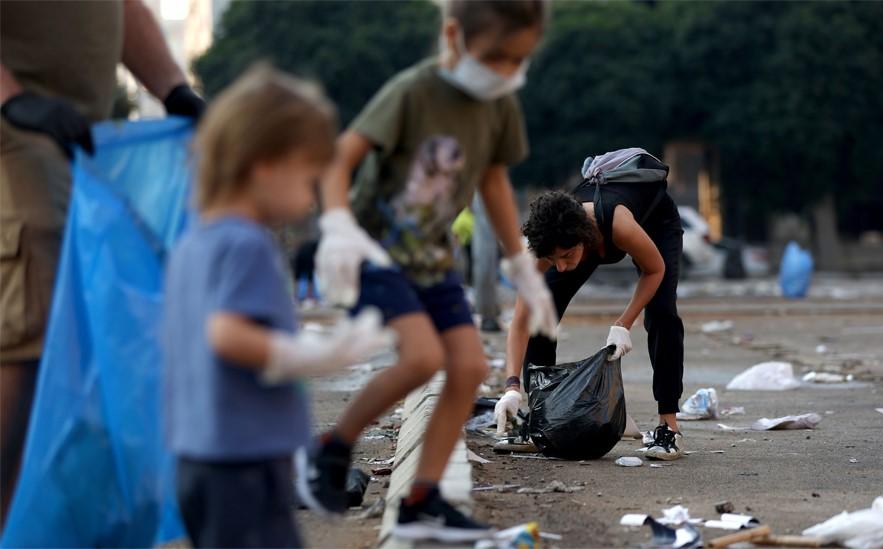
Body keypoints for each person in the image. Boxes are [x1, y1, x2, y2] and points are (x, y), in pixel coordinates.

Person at [308, 0, 558, 542]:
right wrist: (335, 224)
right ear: (454, 36)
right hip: (378, 249)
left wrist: (522, 262)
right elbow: (341, 157)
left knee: (467, 368)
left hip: (434, 258)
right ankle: (330, 450)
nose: (506, 72)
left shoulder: (499, 102)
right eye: (496, 57)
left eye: (519, 60)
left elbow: (493, 181)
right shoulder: (414, 91)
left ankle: (423, 500)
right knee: (422, 358)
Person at [162, 65, 391, 548]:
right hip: (244, 464)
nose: (313, 201)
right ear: (265, 165)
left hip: (197, 458)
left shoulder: (194, 242)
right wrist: (320, 355)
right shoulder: (248, 244)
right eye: (309, 178)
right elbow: (227, 335)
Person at [0, 0, 204, 526]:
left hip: (77, 137)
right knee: (33, 339)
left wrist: (173, 88)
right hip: (14, 136)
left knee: (87, 340)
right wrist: (10, 99)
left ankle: (39, 526)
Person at [499, 148, 687, 460]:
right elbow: (520, 322)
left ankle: (669, 427)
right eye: (551, 259)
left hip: (656, 222)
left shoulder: (618, 224)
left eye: (566, 256)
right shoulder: (549, 245)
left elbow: (655, 270)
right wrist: (511, 386)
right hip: (587, 235)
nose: (559, 266)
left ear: (584, 240)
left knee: (662, 312)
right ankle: (538, 419)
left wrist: (623, 323)